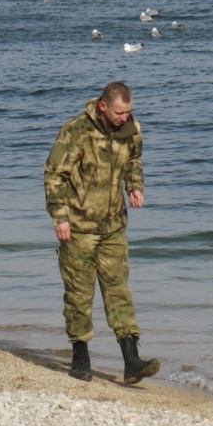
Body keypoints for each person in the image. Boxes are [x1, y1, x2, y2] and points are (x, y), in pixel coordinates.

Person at [43, 81, 160, 383]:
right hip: (78, 227)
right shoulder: (76, 131)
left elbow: (134, 161)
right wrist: (60, 217)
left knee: (119, 290)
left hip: (113, 226)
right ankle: (80, 356)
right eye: (121, 113)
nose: (126, 118)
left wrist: (134, 186)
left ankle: (131, 361)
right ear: (104, 106)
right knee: (79, 294)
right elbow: (55, 175)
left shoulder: (131, 130)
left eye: (130, 112)